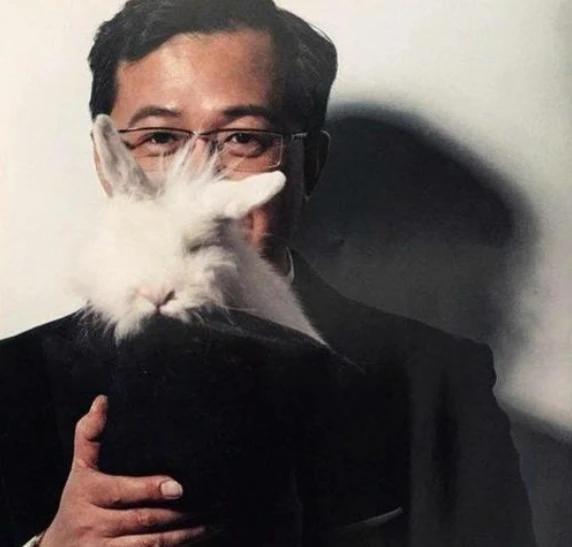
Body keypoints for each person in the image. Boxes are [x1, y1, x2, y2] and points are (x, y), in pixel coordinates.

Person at [0, 0, 536, 545]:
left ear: (312, 164)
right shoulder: (13, 382)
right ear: (107, 162)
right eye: (161, 138)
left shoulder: (438, 385)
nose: (201, 176)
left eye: (243, 139)